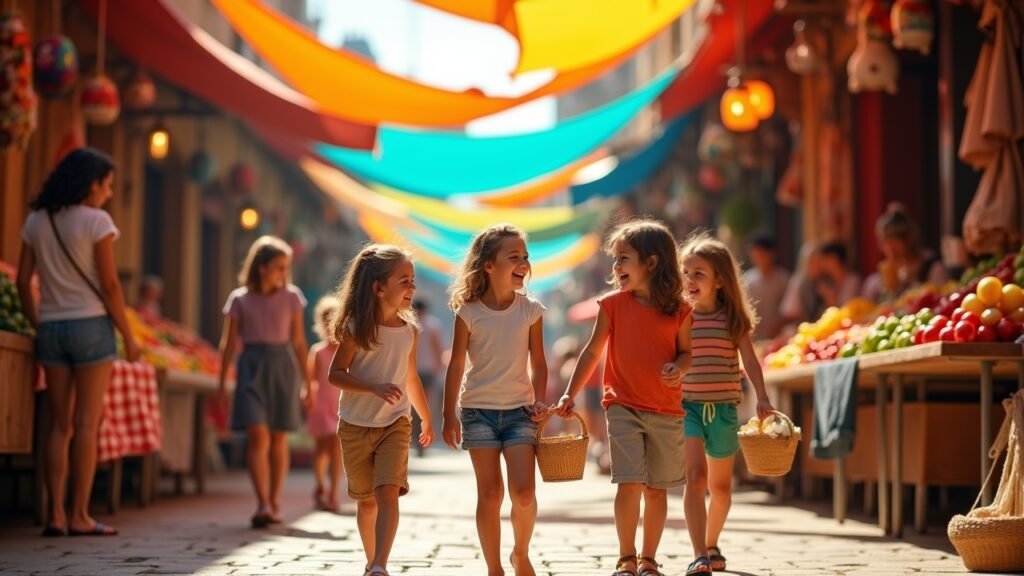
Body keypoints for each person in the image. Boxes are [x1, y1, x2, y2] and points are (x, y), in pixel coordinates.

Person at [555, 218, 692, 576]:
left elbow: (687, 353)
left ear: (652, 262)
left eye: (623, 258)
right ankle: (626, 558)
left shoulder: (681, 310)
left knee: (657, 489)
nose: (616, 266)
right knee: (629, 483)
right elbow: (591, 352)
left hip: (666, 409)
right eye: (615, 259)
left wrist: (678, 368)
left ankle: (649, 559)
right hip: (622, 406)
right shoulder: (612, 305)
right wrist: (570, 393)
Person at [17, 147, 141, 537]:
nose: (109, 193)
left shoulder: (36, 220)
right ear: (91, 184)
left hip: (51, 328)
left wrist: (40, 323)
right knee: (86, 424)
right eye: (107, 185)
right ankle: (80, 516)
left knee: (59, 425)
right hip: (91, 327)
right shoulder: (97, 221)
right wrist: (128, 336)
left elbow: (22, 281)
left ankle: (54, 515)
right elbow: (110, 285)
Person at [442, 224, 548, 576]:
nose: (523, 263)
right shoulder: (468, 313)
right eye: (513, 256)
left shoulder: (531, 310)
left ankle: (521, 553)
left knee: (524, 494)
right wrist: (448, 415)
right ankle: (494, 569)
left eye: (525, 256)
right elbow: (456, 365)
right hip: (478, 413)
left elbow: (539, 363)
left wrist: (540, 401)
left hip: (520, 413)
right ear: (488, 265)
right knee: (489, 494)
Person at [328, 244, 434, 576]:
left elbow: (411, 377)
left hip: (395, 423)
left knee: (388, 491)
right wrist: (372, 387)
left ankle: (379, 564)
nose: (412, 287)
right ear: (378, 288)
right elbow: (335, 374)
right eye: (404, 280)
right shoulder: (356, 328)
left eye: (412, 280)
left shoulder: (410, 331)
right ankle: (370, 559)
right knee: (366, 500)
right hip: (355, 424)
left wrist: (426, 417)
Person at [678, 232, 775, 575]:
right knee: (695, 476)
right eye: (685, 273)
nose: (689, 280)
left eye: (698, 274)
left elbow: (750, 361)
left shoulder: (733, 320)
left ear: (719, 280)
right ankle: (699, 553)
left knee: (720, 489)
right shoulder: (680, 318)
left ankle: (711, 542)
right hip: (688, 408)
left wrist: (762, 396)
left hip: (723, 410)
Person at [217, 236, 308, 528]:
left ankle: (275, 501)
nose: (284, 273)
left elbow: (299, 342)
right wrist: (222, 382)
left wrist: (309, 383)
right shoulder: (239, 299)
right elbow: (228, 344)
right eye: (279, 267)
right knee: (257, 435)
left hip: (282, 367)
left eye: (286, 267)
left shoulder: (292, 297)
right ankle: (262, 503)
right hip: (250, 366)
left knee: (279, 436)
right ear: (262, 267)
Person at [862, 202, 949, 301]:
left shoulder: (933, 269)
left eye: (895, 244)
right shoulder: (876, 281)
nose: (891, 251)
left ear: (909, 239)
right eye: (885, 244)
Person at [305, 296, 343, 513]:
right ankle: (320, 484)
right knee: (321, 449)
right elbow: (310, 379)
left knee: (336, 449)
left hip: (340, 405)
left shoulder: (347, 350)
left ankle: (333, 493)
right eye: (326, 323)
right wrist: (307, 396)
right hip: (321, 406)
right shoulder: (317, 351)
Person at [411, 299, 444, 456]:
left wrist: (438, 367)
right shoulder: (431, 324)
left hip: (423, 370)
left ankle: (420, 441)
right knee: (421, 406)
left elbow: (437, 348)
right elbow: (438, 348)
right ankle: (419, 441)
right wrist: (438, 367)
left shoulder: (428, 325)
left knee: (417, 407)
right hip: (423, 370)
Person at [741, 235, 790, 340]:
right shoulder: (748, 280)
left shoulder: (783, 279)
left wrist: (778, 326)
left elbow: (789, 310)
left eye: (762, 254)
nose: (758, 258)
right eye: (755, 254)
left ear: (772, 254)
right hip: (755, 336)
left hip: (779, 336)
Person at [780, 242, 824, 328]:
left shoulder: (825, 281)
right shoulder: (798, 283)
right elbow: (789, 313)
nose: (817, 264)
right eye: (813, 261)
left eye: (819, 261)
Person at [815, 242, 861, 308]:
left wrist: (831, 299)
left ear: (834, 259)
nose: (822, 264)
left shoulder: (852, 281)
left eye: (825, 259)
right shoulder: (827, 282)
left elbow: (847, 309)